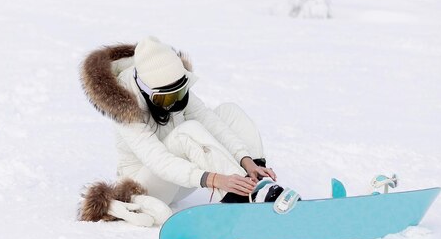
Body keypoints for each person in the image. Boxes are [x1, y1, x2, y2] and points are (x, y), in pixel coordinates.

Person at [79, 37, 286, 224]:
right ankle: (245, 196)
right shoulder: (124, 107)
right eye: (166, 98)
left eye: (180, 93)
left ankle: (257, 179)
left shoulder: (174, 83)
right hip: (150, 185)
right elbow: (158, 160)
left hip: (186, 175)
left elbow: (212, 122)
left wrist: (246, 160)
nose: (175, 102)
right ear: (146, 89)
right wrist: (216, 179)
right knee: (187, 130)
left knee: (229, 112)